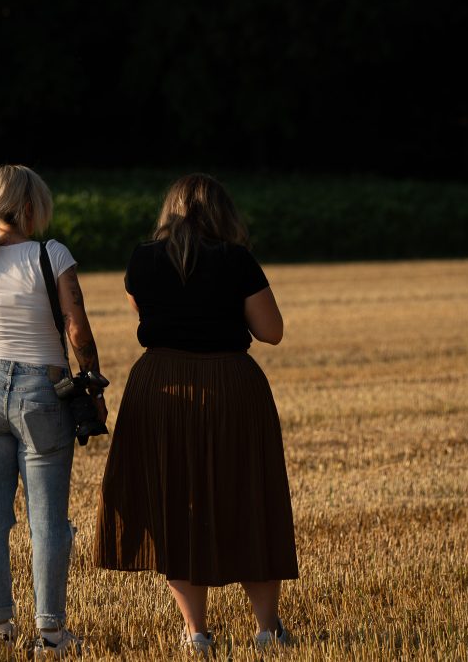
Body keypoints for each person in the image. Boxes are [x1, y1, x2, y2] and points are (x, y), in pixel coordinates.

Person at [93, 173, 298, 655]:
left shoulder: (142, 260)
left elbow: (145, 315)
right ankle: (267, 630)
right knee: (249, 498)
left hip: (159, 387)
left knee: (175, 503)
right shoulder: (236, 260)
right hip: (230, 386)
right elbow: (271, 331)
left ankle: (196, 633)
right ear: (223, 212)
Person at [0, 164, 107, 656]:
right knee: (48, 522)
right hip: (42, 392)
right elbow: (77, 329)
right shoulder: (51, 254)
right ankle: (52, 634)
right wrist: (93, 383)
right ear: (27, 206)